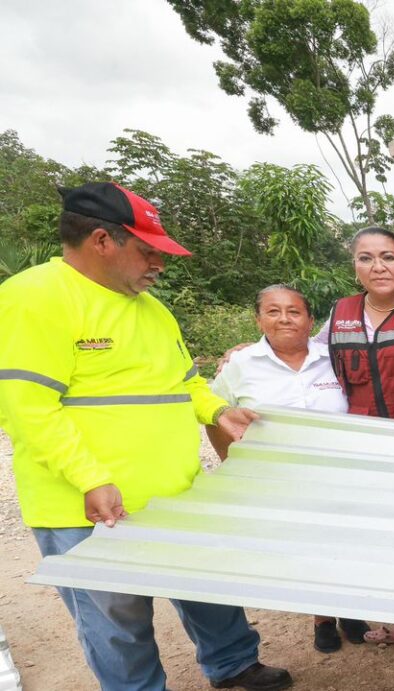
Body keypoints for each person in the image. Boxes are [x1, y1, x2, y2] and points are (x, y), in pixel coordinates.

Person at [0, 183, 290, 690]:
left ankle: (233, 665)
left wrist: (219, 410)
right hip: (87, 504)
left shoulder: (152, 309)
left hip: (176, 492)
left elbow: (184, 381)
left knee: (207, 588)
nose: (159, 264)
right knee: (117, 621)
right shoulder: (34, 297)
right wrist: (89, 477)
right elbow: (28, 408)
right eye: (148, 251)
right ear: (101, 241)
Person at [207, 284, 380, 652]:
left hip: (339, 473)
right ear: (258, 319)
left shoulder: (332, 357)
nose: (284, 318)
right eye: (273, 311)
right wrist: (231, 464)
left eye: (294, 311)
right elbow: (215, 415)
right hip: (281, 479)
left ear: (309, 320)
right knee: (305, 547)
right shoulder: (241, 365)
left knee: (344, 542)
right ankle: (321, 618)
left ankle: (349, 609)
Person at [321, 226, 394, 420]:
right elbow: (308, 354)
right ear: (355, 267)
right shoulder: (341, 312)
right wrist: (256, 351)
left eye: (388, 257)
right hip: (361, 430)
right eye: (365, 259)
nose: (378, 267)